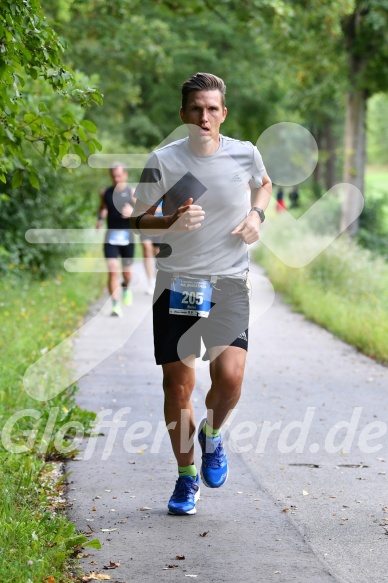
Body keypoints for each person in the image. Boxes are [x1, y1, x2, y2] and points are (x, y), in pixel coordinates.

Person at [131, 72, 272, 515]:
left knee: (229, 378)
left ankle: (212, 435)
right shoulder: (163, 160)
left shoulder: (245, 153)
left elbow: (264, 185)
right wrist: (168, 221)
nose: (204, 116)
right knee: (178, 386)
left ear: (223, 113)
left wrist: (256, 215)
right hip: (178, 283)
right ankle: (186, 477)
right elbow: (137, 218)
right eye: (196, 109)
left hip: (229, 281)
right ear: (183, 114)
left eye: (212, 109)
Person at [96, 164, 135, 317]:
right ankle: (115, 305)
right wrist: (100, 218)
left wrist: (133, 213)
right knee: (113, 270)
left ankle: (125, 286)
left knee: (127, 275)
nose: (116, 179)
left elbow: (145, 211)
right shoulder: (105, 192)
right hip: (111, 237)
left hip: (127, 236)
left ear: (125, 175)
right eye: (113, 176)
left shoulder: (132, 192)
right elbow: (103, 207)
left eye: (119, 176)